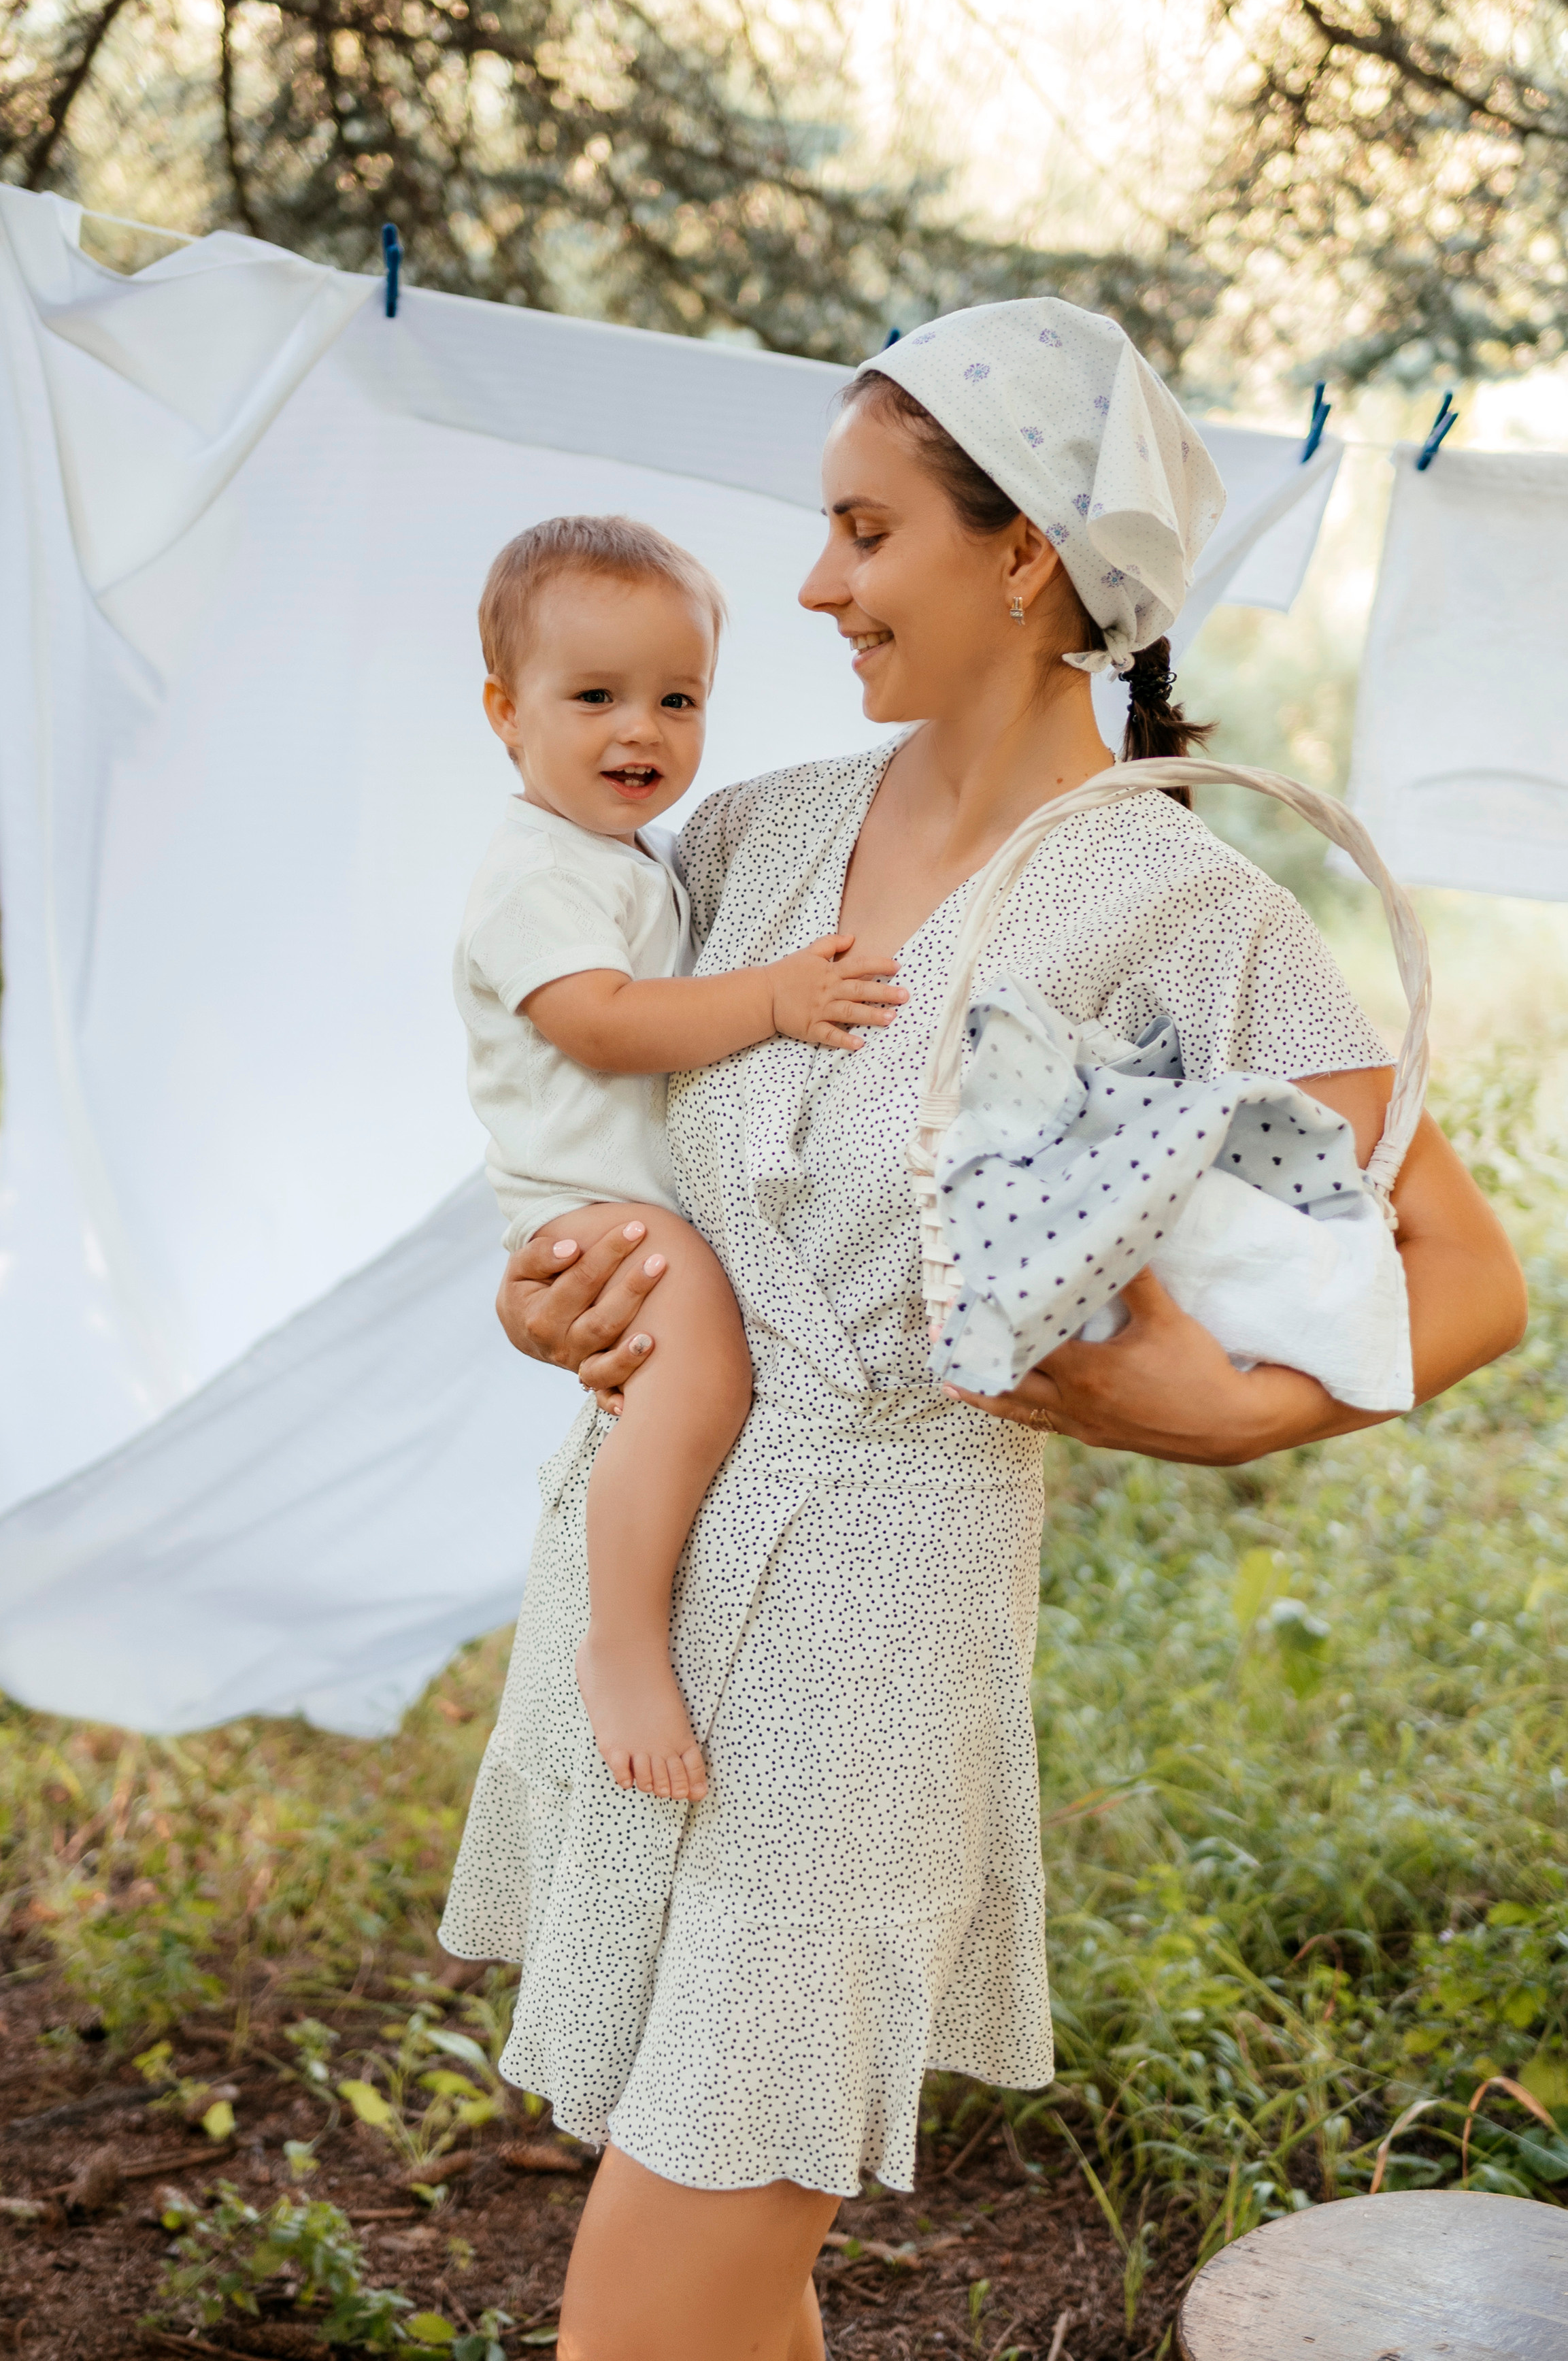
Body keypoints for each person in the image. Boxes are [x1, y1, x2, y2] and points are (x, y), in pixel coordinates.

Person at [439, 301, 1527, 2361]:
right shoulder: (747, 834)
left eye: (863, 531)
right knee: (729, 2300)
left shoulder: (1181, 907)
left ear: (1022, 551)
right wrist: (550, 1300)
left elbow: (1468, 1278)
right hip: (644, 1571)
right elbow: (601, 1140)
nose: (812, 584)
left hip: (875, 1630)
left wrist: (1219, 1412)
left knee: (647, 2306)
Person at [454, 515, 905, 1802]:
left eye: (677, 698)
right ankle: (622, 1639)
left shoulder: (624, 859)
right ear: (506, 712)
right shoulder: (535, 875)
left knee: (690, 1379)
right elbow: (598, 1024)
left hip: (628, 1205)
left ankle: (633, 1616)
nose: (639, 730)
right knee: (699, 1375)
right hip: (592, 1210)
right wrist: (769, 1000)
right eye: (594, 697)